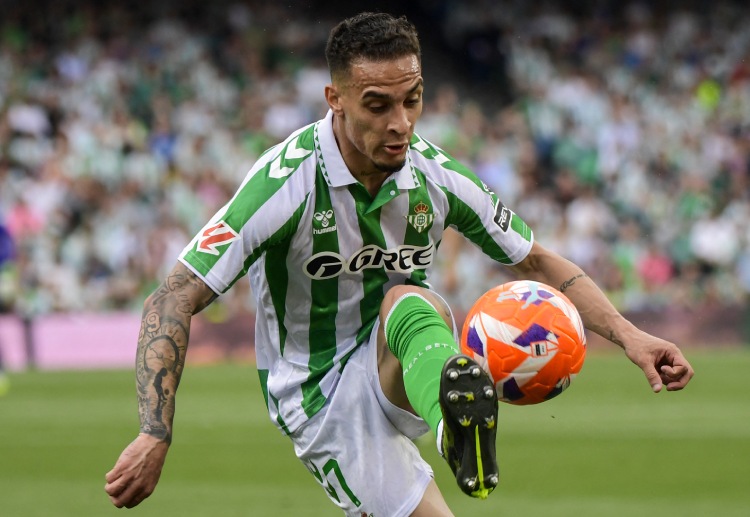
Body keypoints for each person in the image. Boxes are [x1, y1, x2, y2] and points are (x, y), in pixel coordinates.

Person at [104, 12, 694, 516]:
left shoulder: (436, 176)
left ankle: (451, 425)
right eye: (378, 105)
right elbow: (173, 295)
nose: (401, 123)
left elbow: (534, 259)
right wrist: (155, 432)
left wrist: (631, 336)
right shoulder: (282, 185)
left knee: (409, 300)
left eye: (412, 100)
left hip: (403, 358)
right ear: (335, 99)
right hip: (318, 395)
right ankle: (447, 417)